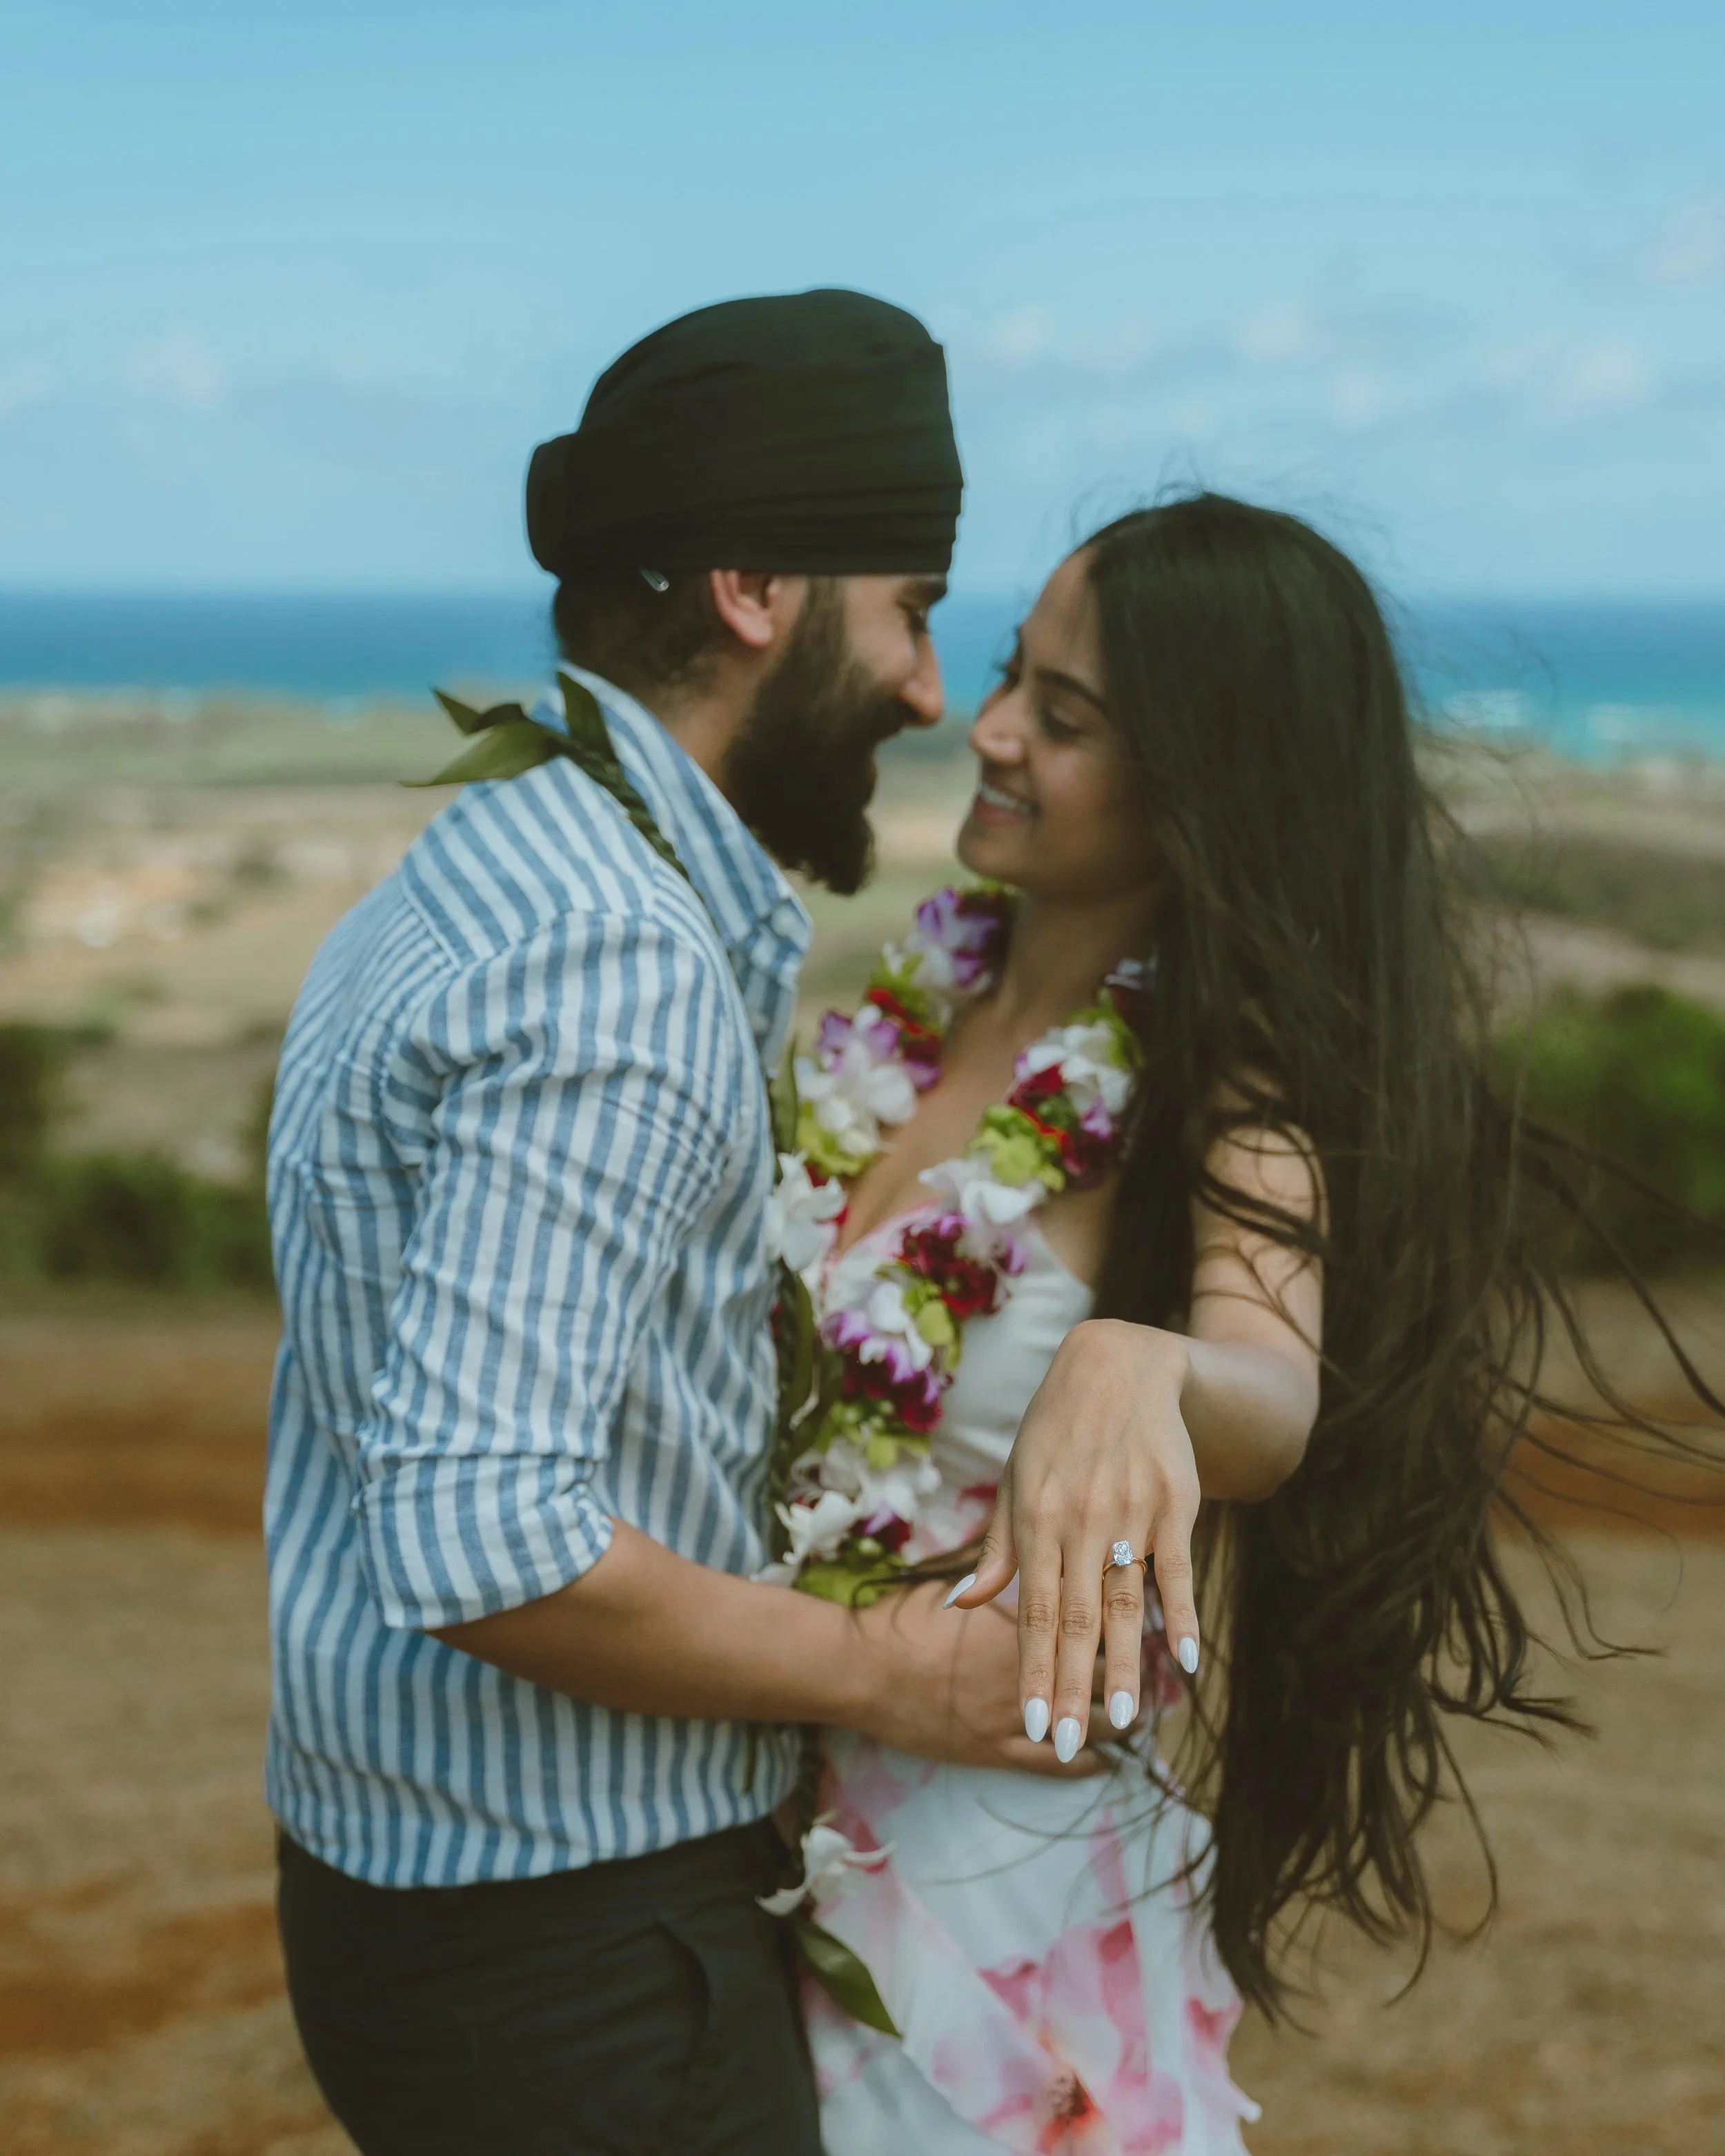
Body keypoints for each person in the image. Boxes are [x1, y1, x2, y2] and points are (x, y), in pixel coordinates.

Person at [768, 492, 1722, 2150]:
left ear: (1205, 775)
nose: (988, 731)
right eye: (1010, 676)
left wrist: (1132, 1361)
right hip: (740, 1817)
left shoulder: (1233, 1079)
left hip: (984, 1892)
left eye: (1062, 719)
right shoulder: (903, 1015)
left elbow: (1268, 1389)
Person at [264, 288, 1095, 2156]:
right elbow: (489, 1533)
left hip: (422, 1897)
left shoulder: (495, 860)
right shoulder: (611, 956)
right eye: (905, 609)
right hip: (576, 1950)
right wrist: (901, 1674)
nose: (922, 691)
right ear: (753, 591)